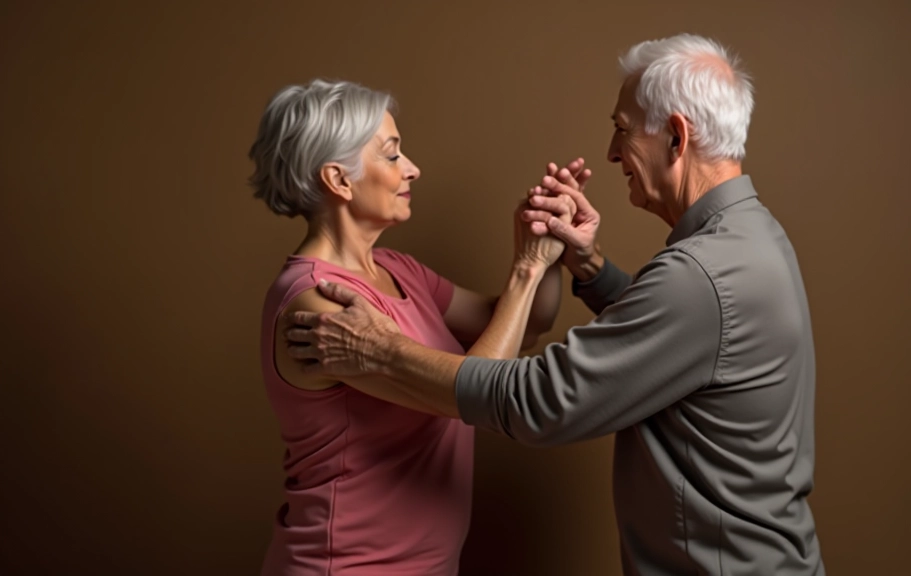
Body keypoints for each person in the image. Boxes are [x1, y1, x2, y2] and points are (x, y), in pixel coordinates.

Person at [286, 33, 825, 576]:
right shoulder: (750, 238)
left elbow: (539, 400)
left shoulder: (701, 275)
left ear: (676, 136)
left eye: (622, 129)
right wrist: (588, 265)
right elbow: (681, 338)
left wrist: (382, 351)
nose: (612, 151)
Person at [248, 79, 581, 575]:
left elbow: (525, 324)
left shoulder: (398, 270)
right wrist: (526, 270)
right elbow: (482, 390)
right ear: (338, 180)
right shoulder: (317, 301)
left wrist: (547, 239)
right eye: (391, 155)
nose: (412, 168)